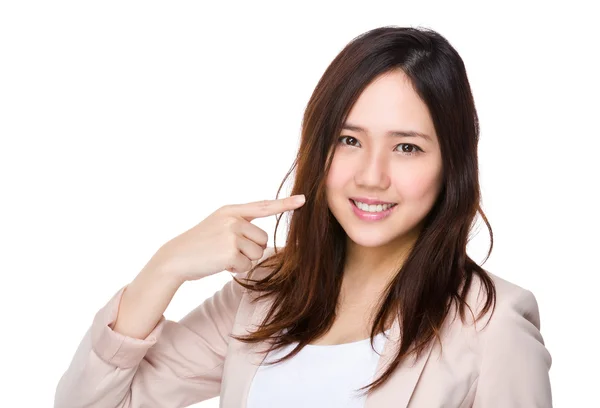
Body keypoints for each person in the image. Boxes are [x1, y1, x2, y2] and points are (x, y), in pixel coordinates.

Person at [54, 26, 552, 407]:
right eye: (349, 140)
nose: (371, 176)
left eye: (406, 147)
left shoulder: (492, 327)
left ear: (451, 164)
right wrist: (164, 269)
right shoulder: (266, 295)